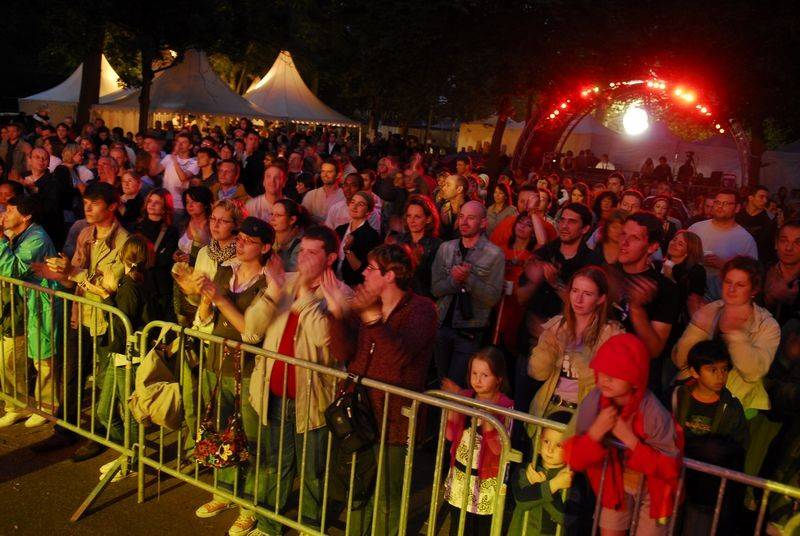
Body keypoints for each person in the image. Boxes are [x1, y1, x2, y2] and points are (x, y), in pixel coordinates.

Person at [241, 225, 350, 536]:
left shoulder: (341, 294)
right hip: (273, 393)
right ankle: (268, 526)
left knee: (313, 472)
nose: (303, 258)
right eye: (301, 251)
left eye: (312, 253)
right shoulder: (284, 282)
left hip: (312, 400)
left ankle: (309, 527)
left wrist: (306, 297)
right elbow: (252, 329)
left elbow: (324, 342)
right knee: (274, 464)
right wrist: (274, 290)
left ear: (330, 258)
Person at [327, 243, 438, 535]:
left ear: (390, 275)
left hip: (394, 421)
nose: (363, 273)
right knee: (357, 490)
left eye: (371, 268)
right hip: (360, 414)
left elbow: (399, 358)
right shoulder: (366, 303)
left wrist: (373, 319)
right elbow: (343, 352)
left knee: (387, 498)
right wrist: (337, 315)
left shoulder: (422, 310)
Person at [32, 182, 130, 457]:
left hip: (106, 318)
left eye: (95, 204)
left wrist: (72, 272)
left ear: (112, 207)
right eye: (86, 203)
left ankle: (100, 433)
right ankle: (66, 429)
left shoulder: (123, 241)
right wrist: (58, 273)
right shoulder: (85, 233)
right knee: (73, 374)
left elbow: (109, 285)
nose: (88, 208)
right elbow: (73, 279)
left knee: (102, 379)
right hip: (82, 312)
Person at [192, 217, 273, 536]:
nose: (240, 243)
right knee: (219, 429)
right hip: (217, 362)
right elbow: (204, 318)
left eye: (249, 241)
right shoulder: (225, 271)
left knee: (250, 439)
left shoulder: (267, 285)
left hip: (248, 370)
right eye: (239, 238)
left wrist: (220, 299)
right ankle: (224, 491)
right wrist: (204, 300)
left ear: (265, 248)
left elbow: (251, 331)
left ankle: (250, 505)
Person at [564, 334, 681, 536]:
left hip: (654, 491)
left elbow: (670, 468)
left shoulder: (654, 414)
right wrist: (595, 433)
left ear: (636, 380)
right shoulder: (593, 402)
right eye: (603, 370)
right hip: (615, 482)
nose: (606, 378)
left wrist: (630, 440)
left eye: (616, 373)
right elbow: (574, 459)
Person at [95, 235, 157, 482]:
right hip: (120, 356)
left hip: (129, 357)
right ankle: (130, 453)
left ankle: (131, 460)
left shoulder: (132, 285)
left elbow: (122, 325)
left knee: (129, 413)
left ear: (123, 255)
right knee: (104, 412)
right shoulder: (134, 280)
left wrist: (104, 295)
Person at [672, 340, 747, 536]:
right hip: (672, 483)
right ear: (694, 372)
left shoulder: (732, 408)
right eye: (712, 370)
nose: (720, 376)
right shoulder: (677, 397)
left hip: (706, 493)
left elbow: (738, 449)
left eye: (724, 369)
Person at [0, 195, 62, 429]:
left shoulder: (37, 238)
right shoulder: (15, 235)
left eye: (10, 210)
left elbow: (12, 269)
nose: (4, 215)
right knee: (8, 359)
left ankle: (47, 407)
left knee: (42, 359)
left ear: (26, 216)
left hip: (40, 305)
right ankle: (17, 406)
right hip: (19, 306)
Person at [528, 266, 624, 417]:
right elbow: (538, 373)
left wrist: (577, 351)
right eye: (574, 291)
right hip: (548, 407)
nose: (578, 299)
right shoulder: (556, 326)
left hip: (586, 414)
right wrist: (547, 348)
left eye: (587, 294)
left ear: (601, 299)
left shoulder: (612, 334)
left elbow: (603, 383)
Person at [441, 347, 514, 536]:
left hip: (486, 482)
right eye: (474, 373)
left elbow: (499, 450)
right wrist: (454, 406)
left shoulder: (505, 406)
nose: (477, 380)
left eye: (485, 375)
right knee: (457, 526)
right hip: (460, 475)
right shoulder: (466, 397)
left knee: (480, 529)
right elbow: (450, 435)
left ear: (498, 378)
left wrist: (489, 423)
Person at [432, 201, 504, 387]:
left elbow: (492, 297)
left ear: (483, 223)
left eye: (471, 218)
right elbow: (435, 289)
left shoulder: (494, 254)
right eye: (461, 216)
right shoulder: (446, 248)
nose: (464, 222)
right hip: (441, 326)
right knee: (441, 383)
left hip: (470, 331)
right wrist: (454, 280)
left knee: (456, 387)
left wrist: (468, 279)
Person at [611, 212, 680, 396]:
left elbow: (655, 350)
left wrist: (636, 309)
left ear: (652, 247)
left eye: (634, 238)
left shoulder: (665, 289)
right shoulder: (607, 273)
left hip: (637, 382)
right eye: (623, 234)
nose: (624, 243)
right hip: (600, 371)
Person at [516, 203, 600, 342]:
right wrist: (533, 283)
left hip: (566, 341)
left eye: (572, 222)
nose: (564, 226)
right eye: (562, 220)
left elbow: (590, 309)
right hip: (529, 336)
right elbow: (520, 298)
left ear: (585, 229)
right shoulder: (544, 253)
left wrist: (556, 284)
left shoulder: (591, 262)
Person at [509, 411, 573, 535]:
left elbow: (566, 518)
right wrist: (552, 485)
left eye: (559, 445)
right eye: (546, 441)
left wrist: (544, 485)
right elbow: (521, 500)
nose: (550, 449)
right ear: (539, 440)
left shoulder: (570, 478)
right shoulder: (527, 469)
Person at [688, 189, 758, 301]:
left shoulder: (745, 239)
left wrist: (726, 265)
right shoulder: (696, 228)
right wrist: (697, 259)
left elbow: (752, 274)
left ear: (737, 208)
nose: (720, 206)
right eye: (717, 202)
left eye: (726, 203)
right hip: (690, 295)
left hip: (722, 301)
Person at [135, 188, 180, 320]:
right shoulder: (137, 227)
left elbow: (166, 258)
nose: (152, 205)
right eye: (150, 201)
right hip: (140, 281)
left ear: (165, 207)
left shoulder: (171, 231)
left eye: (157, 202)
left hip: (160, 285)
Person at [394, 194, 442, 298]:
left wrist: (418, 264)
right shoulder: (399, 241)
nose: (412, 221)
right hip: (399, 296)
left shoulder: (437, 246)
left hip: (423, 298)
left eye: (417, 217)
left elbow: (435, 282)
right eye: (409, 216)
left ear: (428, 219)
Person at [20, 147, 66, 250]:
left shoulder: (54, 182)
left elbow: (51, 208)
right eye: (37, 157)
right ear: (29, 160)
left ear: (49, 163)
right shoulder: (22, 177)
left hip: (46, 230)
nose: (41, 160)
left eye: (45, 158)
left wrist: (34, 192)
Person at [662, 231, 706, 332]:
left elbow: (692, 300)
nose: (674, 244)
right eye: (674, 239)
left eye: (680, 244)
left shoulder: (696, 271)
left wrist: (669, 278)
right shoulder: (657, 264)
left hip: (677, 323)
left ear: (689, 251)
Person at [336, 191, 381, 287]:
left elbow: (364, 270)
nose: (354, 207)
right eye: (353, 202)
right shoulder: (340, 229)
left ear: (368, 211)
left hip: (353, 286)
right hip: (334, 281)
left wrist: (348, 251)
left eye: (360, 204)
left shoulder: (371, 236)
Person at [764, 220, 800, 324]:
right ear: (776, 244)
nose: (789, 248)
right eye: (784, 241)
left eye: (797, 242)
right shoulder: (761, 273)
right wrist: (768, 298)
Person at [157, 131, 198, 219]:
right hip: (164, 202)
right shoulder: (168, 157)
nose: (180, 145)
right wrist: (155, 153)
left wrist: (175, 161)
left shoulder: (194, 162)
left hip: (179, 205)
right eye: (178, 142)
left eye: (184, 142)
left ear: (190, 146)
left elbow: (183, 178)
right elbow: (155, 172)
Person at [736, 185, 777, 265]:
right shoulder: (737, 215)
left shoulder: (769, 219)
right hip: (736, 259)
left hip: (758, 262)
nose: (765, 200)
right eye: (761, 197)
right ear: (750, 197)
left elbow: (769, 245)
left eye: (766, 198)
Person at [270, 198, 306, 272]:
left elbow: (290, 272)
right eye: (272, 214)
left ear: (292, 220)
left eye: (278, 215)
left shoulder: (300, 245)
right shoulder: (269, 238)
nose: (272, 219)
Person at [438, 174, 470, 240]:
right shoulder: (440, 207)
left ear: (459, 189)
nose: (443, 188)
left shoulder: (472, 211)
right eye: (444, 185)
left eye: (448, 185)